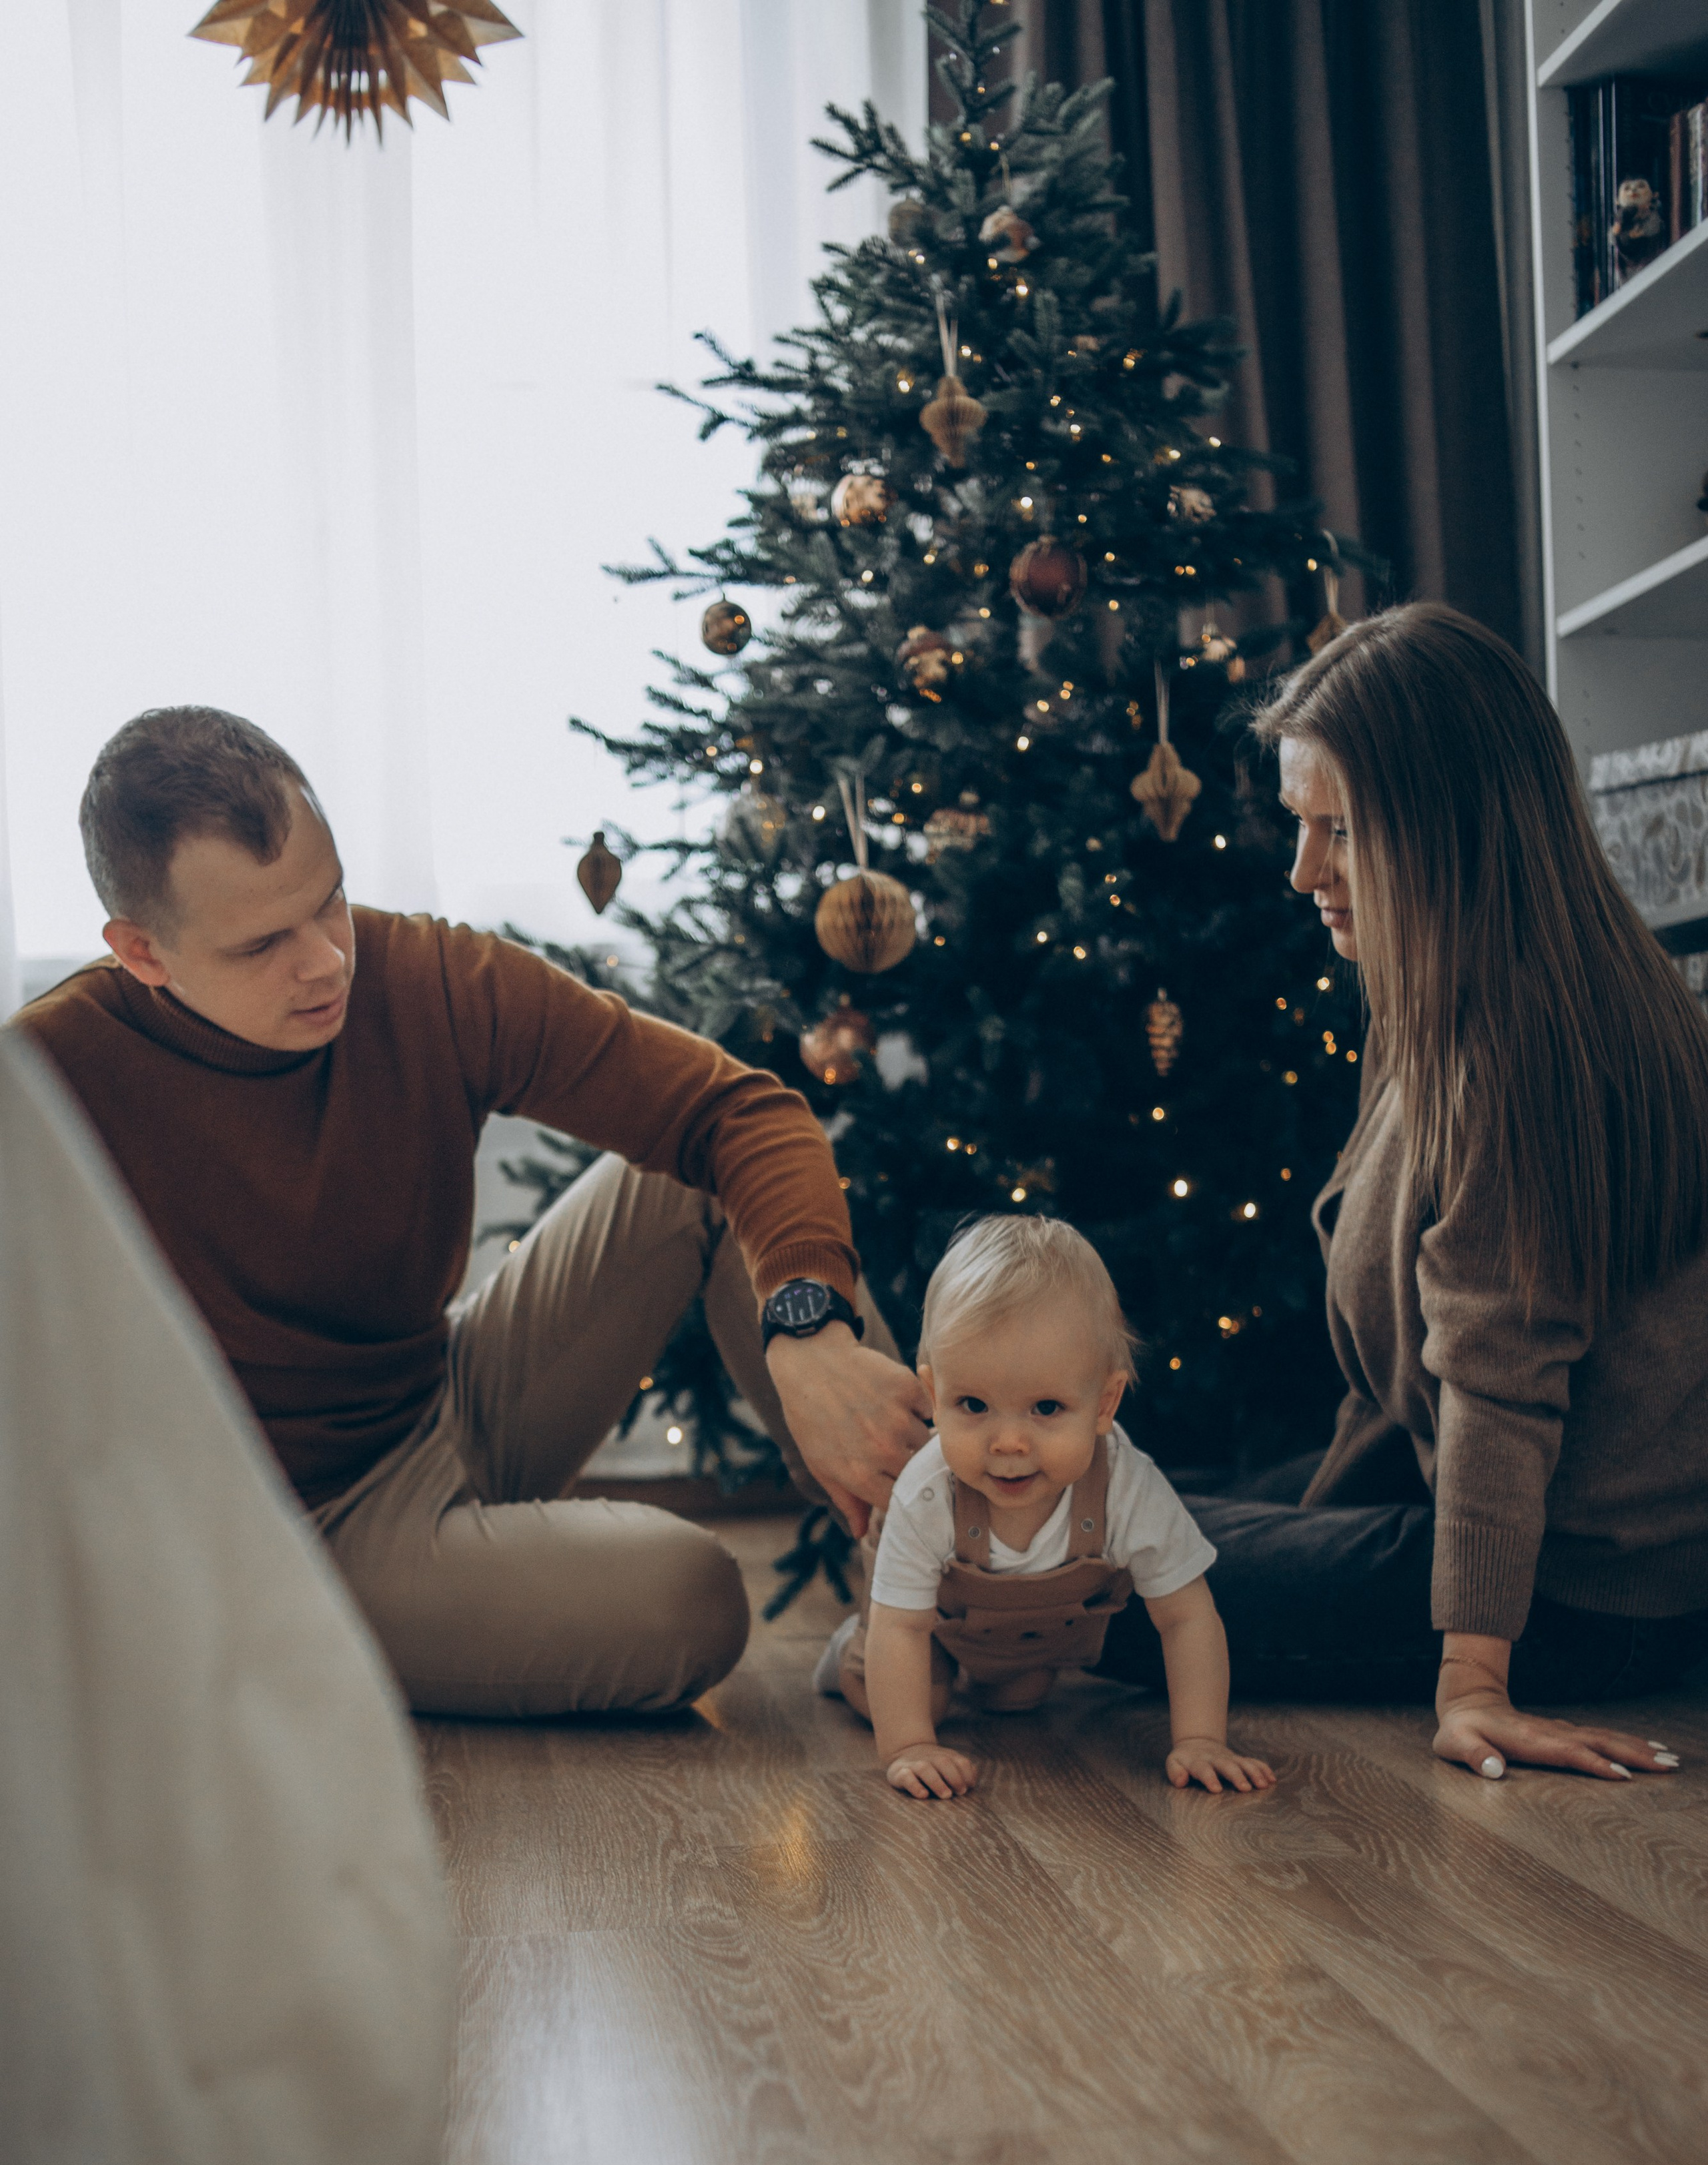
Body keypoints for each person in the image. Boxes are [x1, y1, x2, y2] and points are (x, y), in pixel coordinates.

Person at [18, 707, 931, 1716]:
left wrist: (808, 1329)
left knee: (691, 1178)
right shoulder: (51, 1075)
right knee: (690, 1599)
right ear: (143, 953)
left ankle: (939, 1608)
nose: (325, 961)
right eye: (263, 943)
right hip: (297, 1531)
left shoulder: (426, 978)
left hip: (442, 1400)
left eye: (330, 901)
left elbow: (737, 1111)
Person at [1103, 602, 1703, 1787]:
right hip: (1473, 1518)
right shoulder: (1445, 990)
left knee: (1078, 1565)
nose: (1302, 872)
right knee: (1097, 1503)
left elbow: (1499, 1388)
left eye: (1341, 830)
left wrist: (1473, 1685)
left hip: (1571, 1597)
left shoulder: (1525, 1058)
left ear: (1451, 826)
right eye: (1299, 823)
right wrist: (1300, 1536)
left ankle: (927, 1634)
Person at [817, 1216, 1275, 1801]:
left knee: (1018, 1696)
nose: (1009, 1443)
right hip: (918, 1625)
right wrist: (910, 1748)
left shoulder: (1126, 1485)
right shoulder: (927, 1492)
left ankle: (996, 1677)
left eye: (1046, 1408)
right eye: (973, 1405)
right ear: (933, 1395)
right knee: (911, 1700)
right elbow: (902, 1628)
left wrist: (1201, 1739)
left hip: (1026, 1640)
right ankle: (845, 1656)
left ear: (1104, 1404)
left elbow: (1186, 1616)